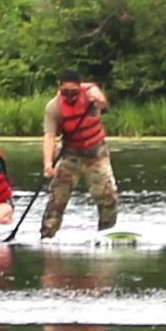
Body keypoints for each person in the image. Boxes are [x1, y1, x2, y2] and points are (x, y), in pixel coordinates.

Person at [41, 70, 118, 238]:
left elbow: (103, 103)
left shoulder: (90, 93)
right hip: (70, 156)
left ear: (80, 88)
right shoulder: (53, 107)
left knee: (107, 196)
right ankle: (47, 235)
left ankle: (107, 233)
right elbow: (49, 137)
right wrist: (48, 163)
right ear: (59, 88)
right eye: (65, 92)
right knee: (57, 198)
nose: (70, 96)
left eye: (74, 92)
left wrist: (100, 100)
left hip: (96, 153)